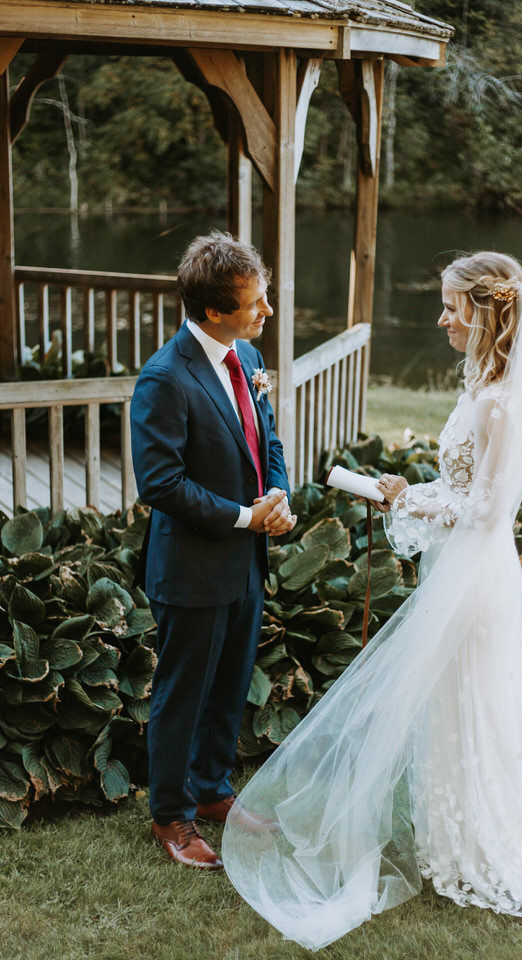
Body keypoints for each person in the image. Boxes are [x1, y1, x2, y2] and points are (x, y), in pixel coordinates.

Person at [222, 252, 522, 947]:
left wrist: (405, 496)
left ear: (485, 311)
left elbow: (485, 510)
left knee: (475, 701)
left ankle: (490, 844)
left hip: (476, 576)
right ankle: (458, 839)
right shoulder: (479, 385)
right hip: (460, 569)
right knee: (456, 702)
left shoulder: (499, 402)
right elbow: (466, 493)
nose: (441, 317)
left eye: (451, 306)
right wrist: (406, 492)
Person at [130, 231, 296, 870]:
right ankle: (171, 817)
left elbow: (266, 440)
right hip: (194, 567)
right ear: (212, 311)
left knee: (229, 685)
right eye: (255, 302)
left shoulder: (245, 355)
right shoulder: (165, 378)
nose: (266, 312)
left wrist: (276, 494)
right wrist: (242, 517)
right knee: (184, 693)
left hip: (245, 562)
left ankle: (213, 792)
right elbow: (160, 483)